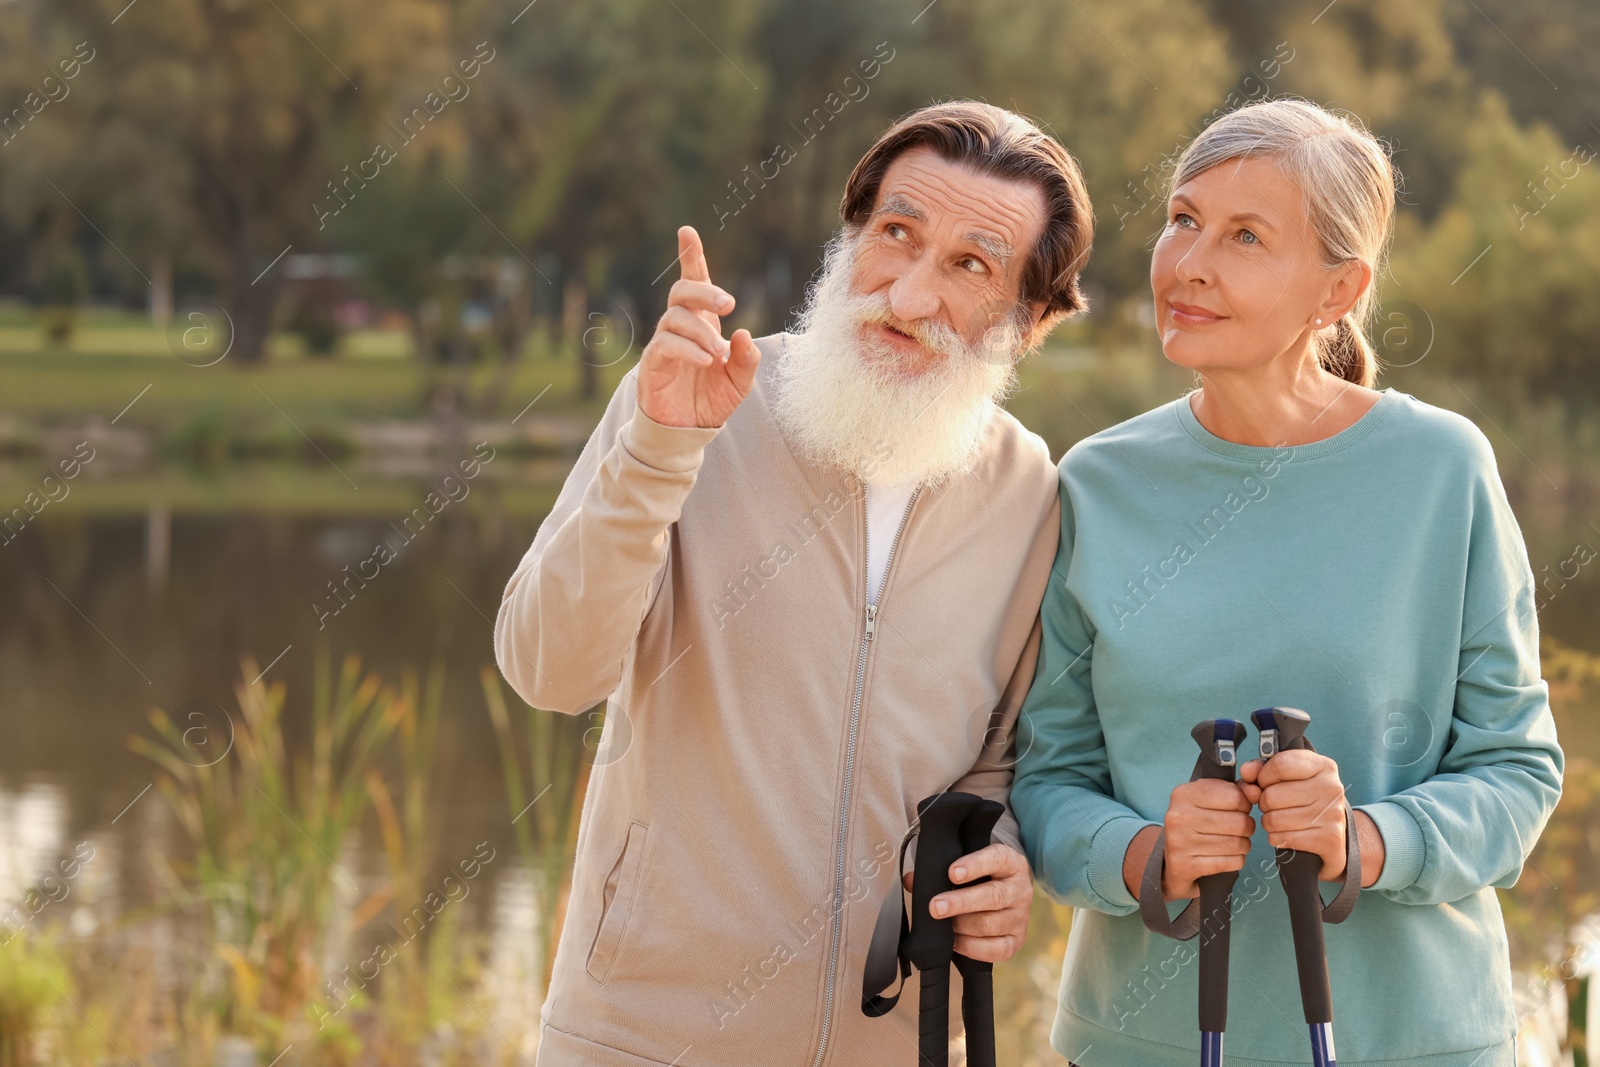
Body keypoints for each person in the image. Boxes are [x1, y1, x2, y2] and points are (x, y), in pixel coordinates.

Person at [494, 100, 1094, 1065]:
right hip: (645, 1037)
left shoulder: (1031, 493)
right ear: (850, 237)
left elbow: (994, 765)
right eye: (895, 235)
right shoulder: (692, 403)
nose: (908, 293)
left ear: (1025, 322)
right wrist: (657, 450)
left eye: (970, 265)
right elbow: (546, 671)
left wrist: (1006, 863)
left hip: (897, 1045)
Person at [1011, 97, 1563, 1066]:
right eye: (1182, 219)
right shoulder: (1093, 483)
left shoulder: (1440, 469)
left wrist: (1369, 838)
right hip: (1141, 1044)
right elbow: (1048, 778)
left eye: (1244, 235)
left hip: (1413, 1042)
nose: (1188, 262)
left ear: (1336, 288)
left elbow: (1517, 769)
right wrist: (1148, 853)